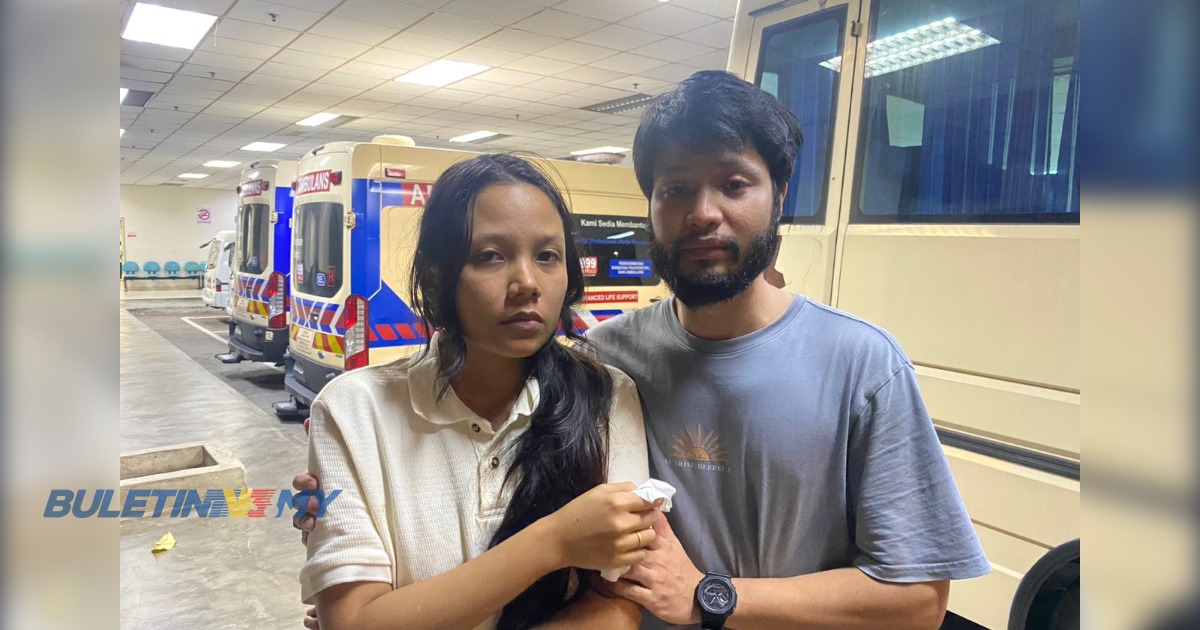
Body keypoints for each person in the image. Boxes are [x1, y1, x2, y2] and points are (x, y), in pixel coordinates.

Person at [297, 71, 989, 629]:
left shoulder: (862, 364)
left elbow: (918, 602)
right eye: (676, 188)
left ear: (779, 195)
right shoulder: (608, 361)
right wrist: (346, 514)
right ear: (651, 206)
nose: (704, 212)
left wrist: (712, 596)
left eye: (735, 184)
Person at [298, 153, 662, 630]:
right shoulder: (353, 411)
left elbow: (618, 608)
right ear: (435, 276)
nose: (527, 283)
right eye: (491, 256)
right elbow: (354, 621)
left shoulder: (606, 397)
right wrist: (555, 541)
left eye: (547, 256)